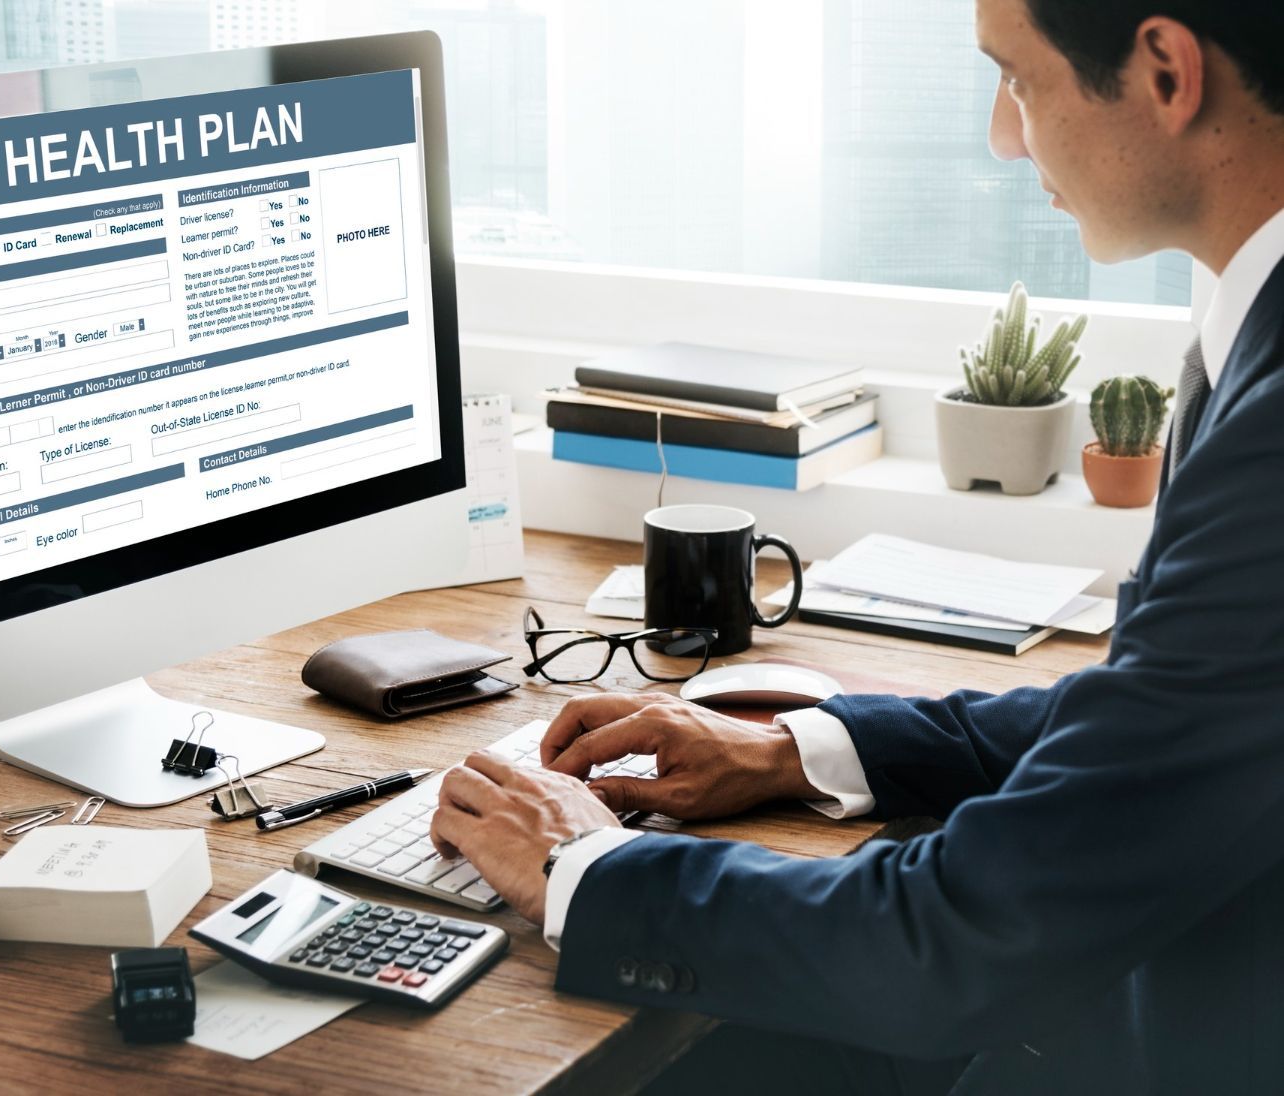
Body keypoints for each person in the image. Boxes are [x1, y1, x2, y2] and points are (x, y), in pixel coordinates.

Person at [429, 0, 1284, 1091]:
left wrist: (582, 865)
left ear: (1166, 72)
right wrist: (803, 749)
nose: (1002, 136)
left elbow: (961, 942)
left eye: (1016, 78)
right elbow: (1162, 716)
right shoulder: (1250, 326)